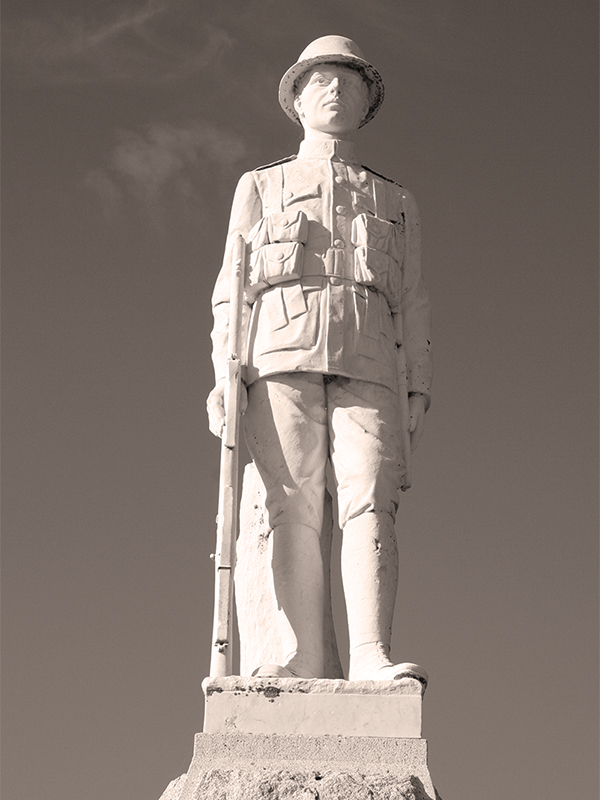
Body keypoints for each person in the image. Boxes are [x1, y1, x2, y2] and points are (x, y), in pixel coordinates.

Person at [207, 36, 431, 683]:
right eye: (321, 82)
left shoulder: (395, 200)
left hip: (371, 359)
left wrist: (418, 385)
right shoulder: (261, 184)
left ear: (367, 103)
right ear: (298, 101)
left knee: (371, 502)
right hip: (277, 355)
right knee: (290, 505)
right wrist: (224, 372)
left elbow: (413, 299)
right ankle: (298, 655)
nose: (335, 91)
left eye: (349, 83)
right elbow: (232, 288)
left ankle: (370, 655)